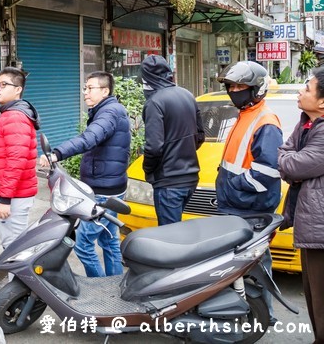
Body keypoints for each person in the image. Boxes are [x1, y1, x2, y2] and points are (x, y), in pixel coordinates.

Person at [215, 60, 283, 323]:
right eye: (231, 86)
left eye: (240, 85)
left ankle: (265, 316)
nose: (234, 90)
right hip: (236, 206)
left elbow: (266, 172)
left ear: (257, 89)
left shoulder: (265, 121)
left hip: (250, 209)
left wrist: (234, 186)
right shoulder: (245, 115)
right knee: (237, 266)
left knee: (255, 266)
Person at [51, 71, 130, 277]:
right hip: (110, 186)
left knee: (83, 244)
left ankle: (99, 289)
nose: (85, 92)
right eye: (85, 88)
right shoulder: (107, 110)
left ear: (105, 91)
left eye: (90, 88)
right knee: (109, 240)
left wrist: (57, 153)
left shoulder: (109, 113)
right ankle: (115, 285)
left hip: (104, 192)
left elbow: (89, 138)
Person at [278, 67, 324, 344]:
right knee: (313, 296)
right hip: (311, 225)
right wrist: (289, 160)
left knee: (321, 298)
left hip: (320, 230)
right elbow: (286, 153)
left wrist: (288, 161)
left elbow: (294, 163)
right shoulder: (306, 123)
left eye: (307, 88)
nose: (300, 91)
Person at [140, 55, 204, 226]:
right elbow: (200, 135)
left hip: (168, 181)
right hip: (190, 177)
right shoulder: (187, 95)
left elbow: (154, 147)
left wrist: (148, 168)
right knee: (177, 232)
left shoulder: (155, 102)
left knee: (170, 238)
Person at [0, 67, 40, 253]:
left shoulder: (15, 117)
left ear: (18, 90)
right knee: (15, 248)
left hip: (12, 196)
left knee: (15, 251)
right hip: (10, 193)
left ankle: (22, 283)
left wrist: (5, 199)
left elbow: (16, 161)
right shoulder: (11, 115)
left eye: (4, 84)